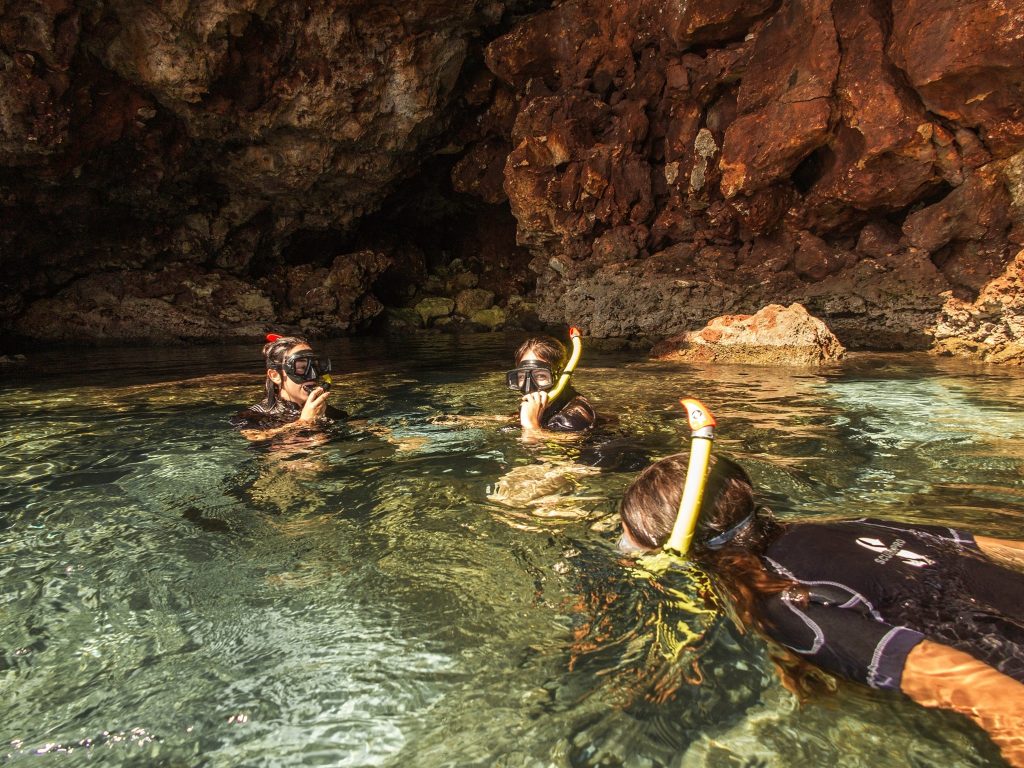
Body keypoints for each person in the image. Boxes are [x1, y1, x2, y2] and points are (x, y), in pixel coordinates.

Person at [618, 453, 1024, 766]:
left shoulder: (783, 603)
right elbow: (1001, 551)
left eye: (629, 538)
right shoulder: (849, 524)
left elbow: (994, 699)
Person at [231, 334, 346, 439]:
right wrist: (304, 422)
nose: (313, 375)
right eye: (301, 367)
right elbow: (260, 444)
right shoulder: (250, 417)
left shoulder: (327, 412)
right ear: (275, 375)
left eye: (315, 367)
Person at [506, 335, 596, 437]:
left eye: (540, 376)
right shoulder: (546, 405)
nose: (529, 387)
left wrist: (530, 426)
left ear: (560, 376)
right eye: (522, 376)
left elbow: (538, 451)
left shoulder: (572, 419)